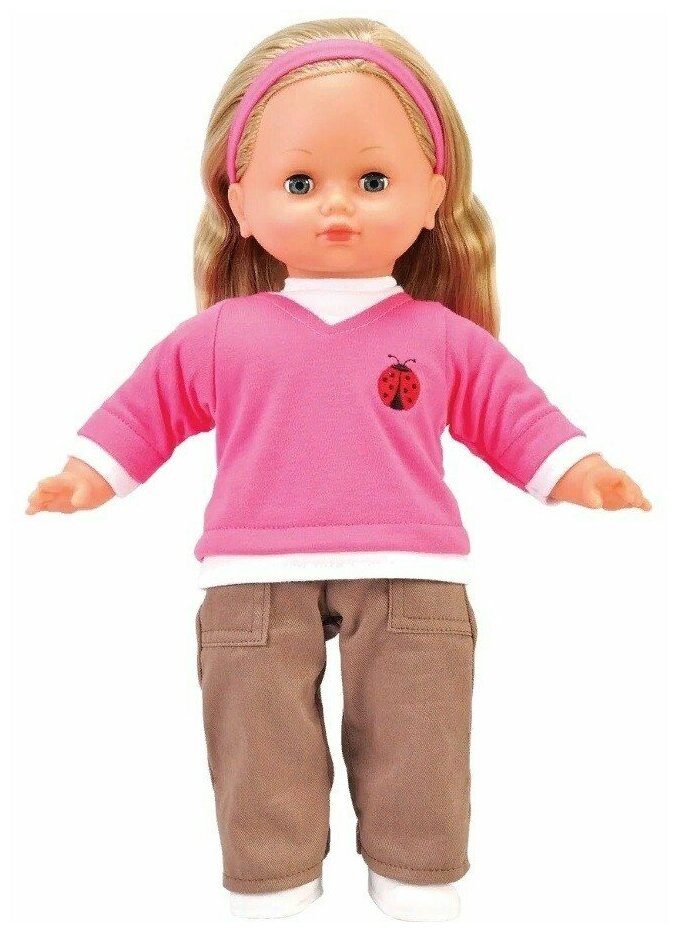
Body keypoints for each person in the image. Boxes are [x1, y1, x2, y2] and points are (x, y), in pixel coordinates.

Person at [25, 19, 651, 922]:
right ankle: (273, 880)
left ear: (433, 194)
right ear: (239, 201)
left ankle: (418, 872)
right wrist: (88, 472)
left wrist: (577, 469)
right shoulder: (222, 336)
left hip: (411, 568)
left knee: (420, 733)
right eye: (299, 183)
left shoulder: (440, 337)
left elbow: (514, 413)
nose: (337, 207)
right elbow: (145, 407)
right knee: (256, 740)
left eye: (372, 181)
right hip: (251, 573)